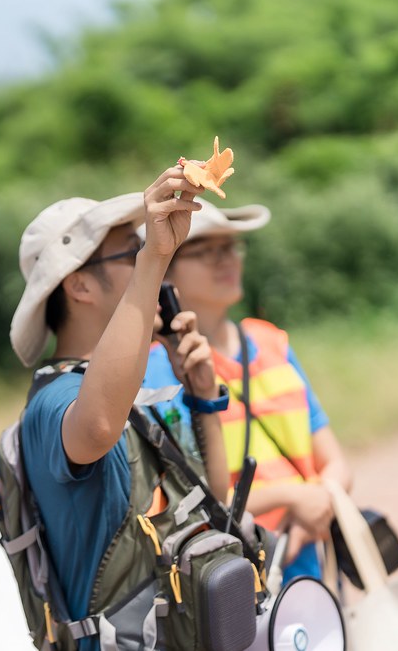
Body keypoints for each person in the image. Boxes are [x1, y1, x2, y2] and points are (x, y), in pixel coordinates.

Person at [9, 166, 236, 650]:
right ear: (80, 287)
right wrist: (153, 260)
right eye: (130, 253)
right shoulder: (54, 401)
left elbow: (214, 503)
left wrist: (201, 398)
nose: (153, 262)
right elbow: (95, 428)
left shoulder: (141, 390)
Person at [142, 197, 353, 584]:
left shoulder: (272, 342)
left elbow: (335, 463)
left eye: (230, 247)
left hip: (304, 576)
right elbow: (183, 500)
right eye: (206, 251)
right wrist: (292, 500)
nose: (225, 260)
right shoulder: (156, 373)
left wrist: (315, 509)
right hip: (227, 582)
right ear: (166, 273)